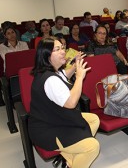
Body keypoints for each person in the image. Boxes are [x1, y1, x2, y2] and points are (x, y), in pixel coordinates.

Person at [28, 37, 100, 168]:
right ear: (46, 55)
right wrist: (79, 77)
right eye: (57, 49)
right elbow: (71, 103)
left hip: (53, 119)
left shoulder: (49, 71)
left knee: (94, 119)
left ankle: (68, 160)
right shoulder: (50, 79)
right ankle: (73, 156)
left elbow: (63, 75)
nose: (63, 52)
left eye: (62, 48)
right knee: (92, 147)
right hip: (47, 130)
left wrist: (74, 66)